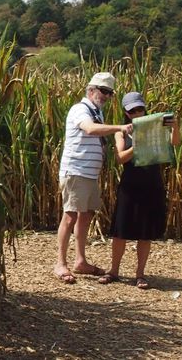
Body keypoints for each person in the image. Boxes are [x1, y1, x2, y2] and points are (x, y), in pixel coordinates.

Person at [54, 72, 133, 284]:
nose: (106, 96)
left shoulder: (95, 112)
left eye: (110, 93)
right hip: (76, 171)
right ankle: (61, 264)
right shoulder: (81, 110)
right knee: (69, 215)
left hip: (89, 173)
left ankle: (80, 261)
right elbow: (89, 129)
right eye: (103, 91)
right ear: (91, 90)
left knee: (86, 215)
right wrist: (119, 128)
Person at [98, 92, 180, 289]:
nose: (136, 113)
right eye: (132, 110)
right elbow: (120, 158)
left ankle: (140, 274)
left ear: (144, 108)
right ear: (126, 113)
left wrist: (175, 126)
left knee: (145, 232)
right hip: (130, 183)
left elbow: (174, 143)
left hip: (152, 182)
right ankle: (114, 271)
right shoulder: (122, 132)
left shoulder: (157, 127)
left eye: (139, 109)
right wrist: (138, 143)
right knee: (121, 230)